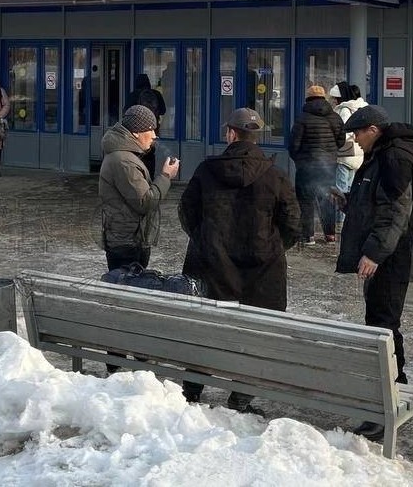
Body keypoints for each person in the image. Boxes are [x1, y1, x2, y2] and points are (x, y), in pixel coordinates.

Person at [177, 107, 300, 414]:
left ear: (231, 134)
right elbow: (293, 224)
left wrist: (206, 241)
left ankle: (192, 389)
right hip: (261, 276)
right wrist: (271, 249)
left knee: (204, 329)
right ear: (256, 138)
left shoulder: (207, 171)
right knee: (254, 335)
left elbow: (187, 212)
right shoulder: (276, 176)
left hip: (210, 270)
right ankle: (240, 398)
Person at [328, 105, 413, 441]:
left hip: (390, 259)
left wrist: (373, 254)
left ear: (373, 129)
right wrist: (348, 201)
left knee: (384, 326)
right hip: (383, 256)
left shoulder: (395, 157)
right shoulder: (380, 154)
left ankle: (390, 402)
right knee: (379, 324)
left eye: (357, 133)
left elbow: (396, 211)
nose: (355, 140)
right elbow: (375, 202)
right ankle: (389, 395)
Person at [98, 104, 179, 375]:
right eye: (150, 130)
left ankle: (122, 357)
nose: (154, 136)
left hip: (127, 236)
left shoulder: (125, 156)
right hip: (127, 241)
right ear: (136, 132)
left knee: (127, 298)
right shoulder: (123, 160)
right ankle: (121, 360)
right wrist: (166, 177)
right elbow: (145, 201)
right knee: (128, 300)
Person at [289, 84, 345, 244]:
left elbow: (294, 145)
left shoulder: (302, 118)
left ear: (308, 99)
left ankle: (308, 236)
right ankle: (330, 235)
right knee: (327, 198)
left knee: (305, 199)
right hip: (328, 165)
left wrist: (300, 160)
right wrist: (330, 154)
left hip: (307, 166)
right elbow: (341, 140)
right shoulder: (335, 117)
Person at [330, 82, 368, 229]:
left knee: (341, 188)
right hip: (358, 152)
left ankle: (341, 219)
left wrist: (337, 139)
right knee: (351, 187)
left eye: (335, 98)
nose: (333, 101)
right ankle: (349, 216)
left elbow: (345, 131)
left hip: (346, 153)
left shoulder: (345, 109)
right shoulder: (361, 107)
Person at [125, 73, 167, 176]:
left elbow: (126, 112)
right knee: (150, 154)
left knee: (136, 154)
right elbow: (163, 111)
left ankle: (139, 177)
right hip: (152, 129)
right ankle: (150, 177)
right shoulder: (156, 94)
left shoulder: (133, 95)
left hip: (136, 131)